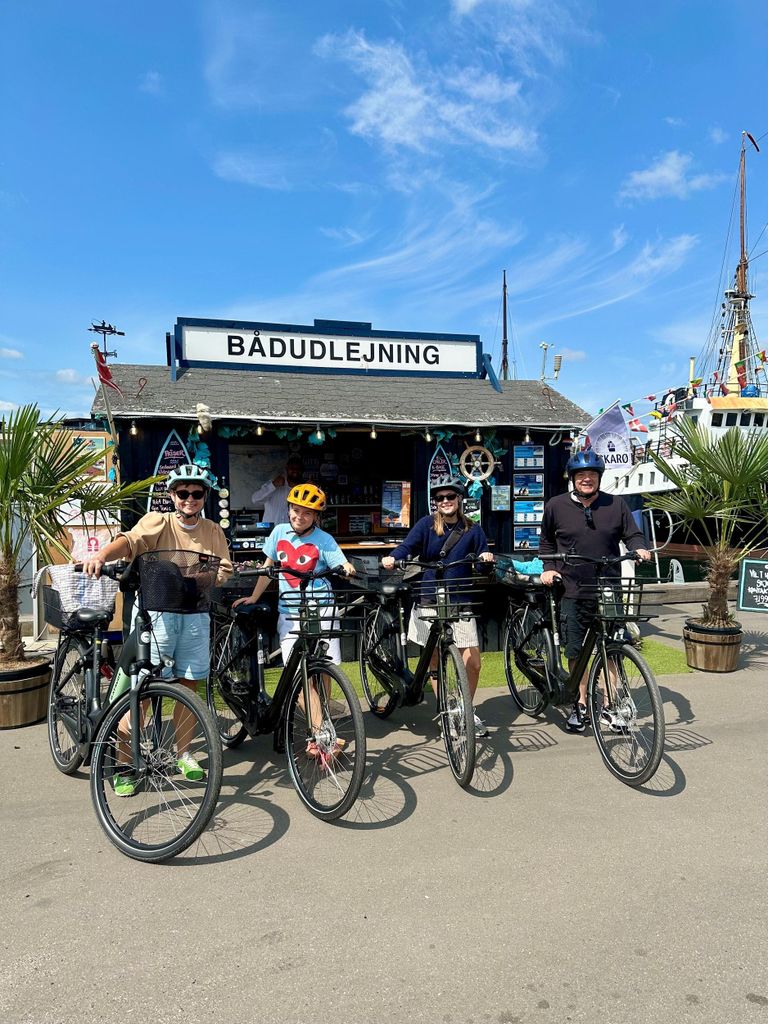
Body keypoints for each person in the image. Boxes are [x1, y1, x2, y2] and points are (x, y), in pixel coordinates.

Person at [81, 463, 233, 795]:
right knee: (144, 690)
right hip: (158, 615)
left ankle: (185, 754)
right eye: (183, 492)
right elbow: (130, 541)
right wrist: (102, 555)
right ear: (172, 495)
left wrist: (211, 577)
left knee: (188, 687)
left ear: (204, 495)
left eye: (196, 493)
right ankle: (123, 762)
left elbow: (224, 568)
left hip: (195, 615)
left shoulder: (212, 530)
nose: (189, 499)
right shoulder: (158, 521)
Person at [538, 449, 651, 732]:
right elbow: (547, 543)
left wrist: (639, 547)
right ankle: (582, 703)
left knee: (611, 648)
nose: (586, 479)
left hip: (608, 588)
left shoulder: (616, 505)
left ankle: (612, 706)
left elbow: (632, 534)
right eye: (581, 475)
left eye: (592, 474)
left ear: (599, 477)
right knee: (576, 650)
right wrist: (549, 568)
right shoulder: (556, 505)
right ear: (573, 478)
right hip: (572, 587)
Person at [381, 476, 494, 736]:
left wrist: (486, 558)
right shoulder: (426, 525)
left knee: (473, 661)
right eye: (440, 498)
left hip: (460, 600)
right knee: (433, 657)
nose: (445, 501)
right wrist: (392, 558)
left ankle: (465, 709)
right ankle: (446, 711)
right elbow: (407, 547)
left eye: (450, 497)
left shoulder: (472, 529)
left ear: (459, 499)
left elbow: (481, 560)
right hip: (429, 596)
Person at [234, 482, 355, 670]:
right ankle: (307, 700)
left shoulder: (324, 539)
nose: (300, 517)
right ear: (289, 509)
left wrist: (347, 568)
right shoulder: (279, 532)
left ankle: (324, 701)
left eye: (307, 513)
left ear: (316, 516)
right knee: (295, 668)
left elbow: (341, 564)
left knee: (326, 666)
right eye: (296, 510)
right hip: (289, 609)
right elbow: (268, 569)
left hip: (322, 609)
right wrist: (254, 597)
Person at [250, 454, 303, 525]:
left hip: (292, 532)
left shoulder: (305, 490)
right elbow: (255, 499)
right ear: (287, 468)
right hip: (270, 532)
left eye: (298, 469)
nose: (295, 471)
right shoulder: (273, 484)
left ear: (302, 471)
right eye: (292, 468)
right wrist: (273, 485)